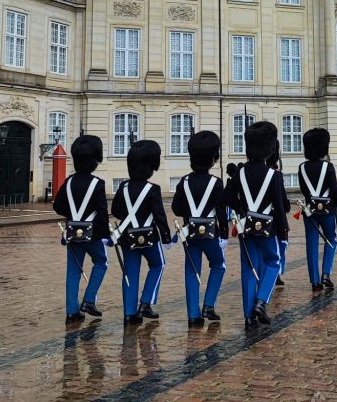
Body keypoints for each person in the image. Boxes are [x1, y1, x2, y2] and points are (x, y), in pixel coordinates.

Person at [226, 121, 287, 329]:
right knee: (273, 262)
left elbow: (227, 197)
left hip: (247, 227)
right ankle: (261, 301)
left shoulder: (239, 173)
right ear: (269, 148)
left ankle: (248, 316)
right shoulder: (274, 175)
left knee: (248, 269)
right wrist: (283, 230)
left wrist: (242, 211)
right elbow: (279, 206)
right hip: (268, 228)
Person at [171, 130, 228, 328]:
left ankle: (193, 315)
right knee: (219, 266)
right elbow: (221, 211)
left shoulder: (184, 182)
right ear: (213, 159)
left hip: (191, 234)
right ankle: (209, 305)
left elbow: (176, 208)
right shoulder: (216, 183)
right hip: (211, 234)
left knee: (192, 271)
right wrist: (225, 234)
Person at [110, 140, 170, 326]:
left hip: (128, 237)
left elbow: (117, 211)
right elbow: (159, 215)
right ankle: (146, 302)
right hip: (149, 237)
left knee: (130, 272)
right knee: (158, 265)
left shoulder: (123, 188)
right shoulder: (153, 189)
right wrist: (166, 237)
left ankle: (129, 313)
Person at [53, 135, 110, 325]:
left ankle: (72, 311)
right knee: (101, 262)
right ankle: (89, 300)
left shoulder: (68, 182)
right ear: (95, 160)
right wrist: (106, 236)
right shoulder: (97, 184)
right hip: (92, 233)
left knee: (73, 271)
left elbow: (58, 206)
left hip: (72, 232)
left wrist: (73, 217)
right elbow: (102, 213)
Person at [298, 128, 337, 292]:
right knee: (331, 239)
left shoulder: (302, 167)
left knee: (311, 244)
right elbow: (335, 189)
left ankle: (314, 281)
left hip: (309, 210)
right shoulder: (328, 166)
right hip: (328, 210)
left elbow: (304, 190)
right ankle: (326, 274)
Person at [266, 138, 290, 287]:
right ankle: (276, 272)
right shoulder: (276, 174)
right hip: (274, 218)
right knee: (280, 246)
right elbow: (281, 199)